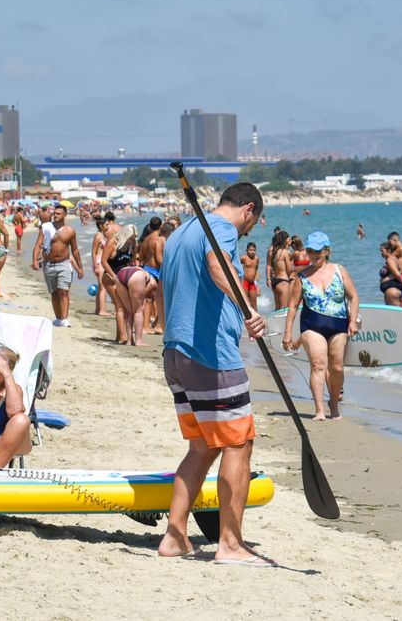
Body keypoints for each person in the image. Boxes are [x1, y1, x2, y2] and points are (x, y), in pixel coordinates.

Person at [156, 181, 267, 565]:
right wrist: (248, 309)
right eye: (253, 223)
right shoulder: (219, 228)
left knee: (203, 446)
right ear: (248, 210)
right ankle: (231, 544)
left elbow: (166, 289)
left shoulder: (181, 232)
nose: (249, 231)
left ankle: (174, 536)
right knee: (239, 443)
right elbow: (217, 264)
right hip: (210, 355)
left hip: (175, 352)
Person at [280, 231, 359, 421]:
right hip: (311, 326)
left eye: (316, 251)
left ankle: (333, 402)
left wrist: (353, 321)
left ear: (326, 251)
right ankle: (319, 410)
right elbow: (292, 306)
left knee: (337, 368)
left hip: (338, 326)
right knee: (318, 364)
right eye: (309, 250)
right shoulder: (302, 277)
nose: (312, 255)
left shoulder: (340, 270)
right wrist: (287, 333)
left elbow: (354, 297)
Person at [30, 204, 82, 327]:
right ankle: (58, 318)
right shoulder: (46, 228)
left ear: (65, 215)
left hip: (64, 264)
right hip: (49, 264)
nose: (55, 215)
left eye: (58, 213)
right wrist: (35, 260)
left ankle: (65, 318)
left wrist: (80, 267)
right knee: (54, 293)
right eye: (55, 213)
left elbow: (75, 250)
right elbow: (38, 244)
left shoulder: (70, 231)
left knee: (64, 291)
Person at [265, 230, 295, 310]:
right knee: (284, 309)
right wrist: (292, 261)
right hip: (283, 281)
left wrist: (268, 278)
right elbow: (289, 270)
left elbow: (268, 265)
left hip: (274, 281)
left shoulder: (271, 251)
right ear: (285, 240)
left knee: (277, 309)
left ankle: (274, 322)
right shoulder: (285, 252)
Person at [377, 241, 402, 308]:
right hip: (391, 291)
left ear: (389, 250)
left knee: (396, 316)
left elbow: (397, 274)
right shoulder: (391, 260)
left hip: (391, 292)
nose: (381, 253)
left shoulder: (390, 260)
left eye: (382, 251)